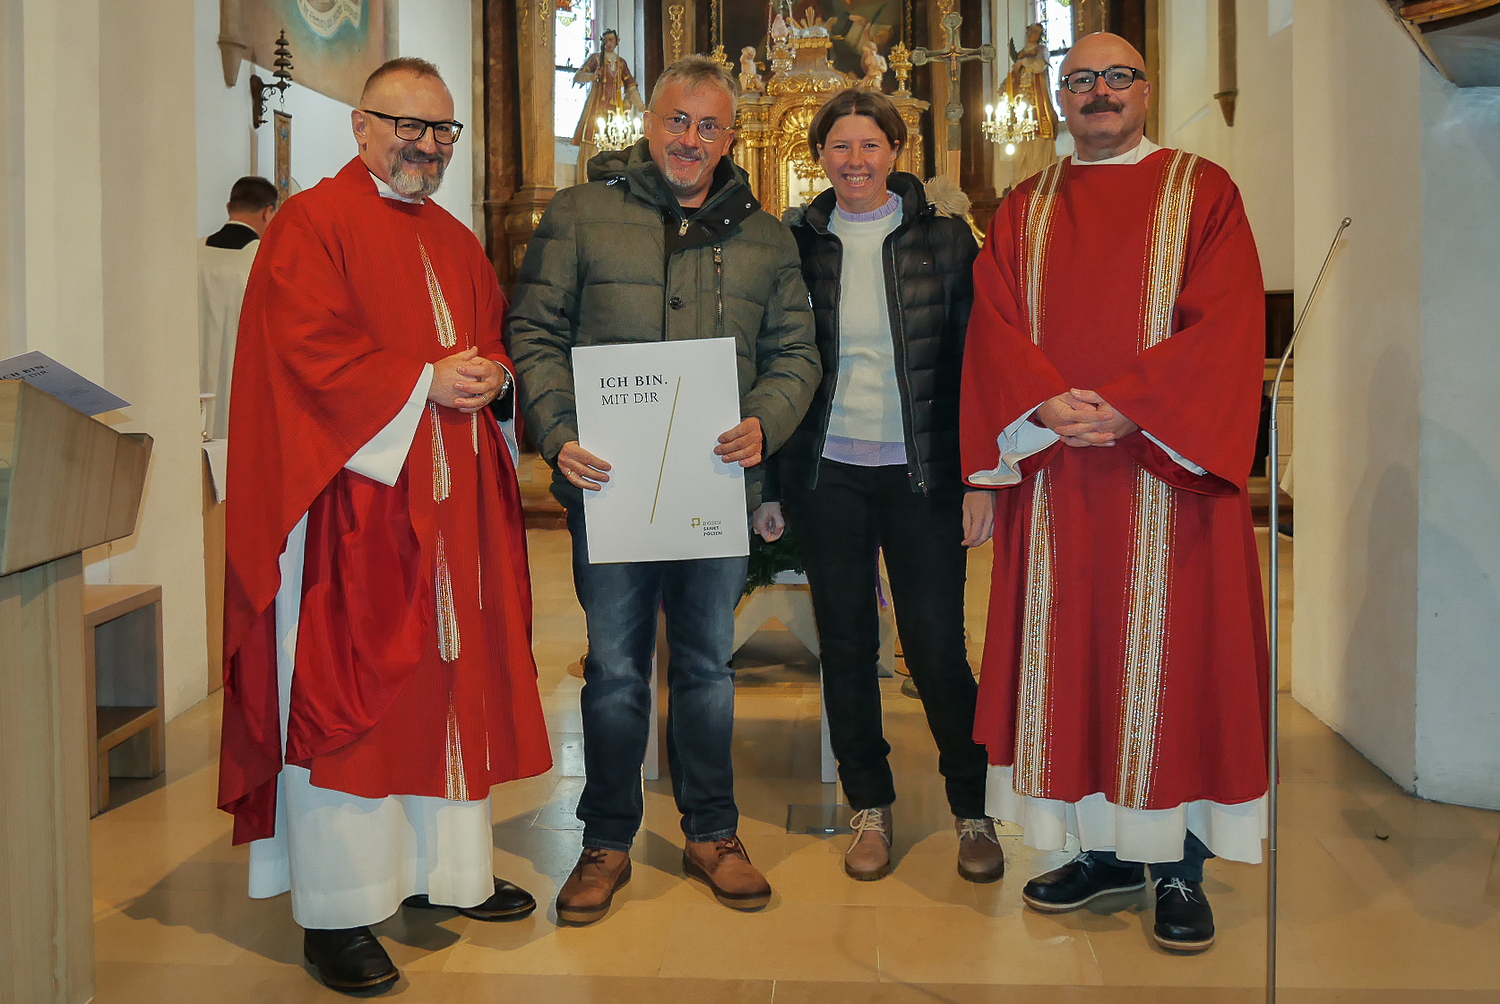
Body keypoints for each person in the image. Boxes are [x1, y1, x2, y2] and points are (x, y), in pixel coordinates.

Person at [217, 57, 552, 995]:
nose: (427, 146)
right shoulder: (310, 225)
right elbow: (302, 352)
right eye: (409, 125)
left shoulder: (455, 238)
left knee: (448, 684)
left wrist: (493, 376)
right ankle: (339, 910)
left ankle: (445, 874)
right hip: (352, 515)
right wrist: (421, 382)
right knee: (355, 697)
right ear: (361, 125)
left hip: (452, 516)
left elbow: (487, 337)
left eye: (442, 131)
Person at [960, 32, 1270, 954]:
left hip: (1168, 476)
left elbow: (1229, 320)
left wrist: (1135, 406)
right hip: (1060, 479)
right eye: (1082, 80)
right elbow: (995, 322)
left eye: (1117, 78)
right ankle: (1101, 851)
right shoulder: (1026, 206)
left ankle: (1179, 867)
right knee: (1076, 665)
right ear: (1061, 98)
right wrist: (1043, 402)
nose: (1100, 92)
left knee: (1176, 666)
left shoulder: (1204, 191)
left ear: (1146, 89)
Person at [509, 55, 820, 926]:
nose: (691, 139)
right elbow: (534, 330)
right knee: (613, 670)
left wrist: (764, 420)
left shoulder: (766, 237)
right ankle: (605, 839)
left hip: (714, 487)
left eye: (709, 125)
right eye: (677, 120)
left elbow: (797, 352)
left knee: (707, 667)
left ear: (731, 136)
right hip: (610, 488)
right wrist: (558, 432)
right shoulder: (582, 215)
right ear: (649, 124)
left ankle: (712, 832)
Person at [754, 88, 1001, 885]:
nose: (855, 160)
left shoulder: (946, 239)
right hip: (828, 474)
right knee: (848, 645)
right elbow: (775, 363)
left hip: (922, 473)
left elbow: (977, 362)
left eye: (870, 145)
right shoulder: (797, 241)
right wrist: (770, 484)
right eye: (840, 146)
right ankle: (871, 806)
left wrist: (982, 478)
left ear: (895, 151)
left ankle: (972, 807)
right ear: (817, 156)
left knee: (935, 647)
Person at [200, 176, 278, 439]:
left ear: (229, 207)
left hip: (192, 383)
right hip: (242, 385)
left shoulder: (192, 253)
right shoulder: (267, 260)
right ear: (268, 213)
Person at [571, 29, 645, 174]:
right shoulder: (596, 59)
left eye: (611, 40)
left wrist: (641, 106)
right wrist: (593, 76)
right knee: (592, 138)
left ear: (617, 42)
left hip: (615, 110)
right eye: (606, 40)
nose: (608, 43)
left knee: (616, 139)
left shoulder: (621, 63)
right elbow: (578, 76)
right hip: (597, 107)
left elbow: (631, 87)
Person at [1001, 23, 1060, 187]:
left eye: (1036, 31)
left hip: (1038, 106)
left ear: (1040, 35)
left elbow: (1039, 65)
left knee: (1039, 143)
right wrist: (1004, 86)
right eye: (1030, 30)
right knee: (1021, 144)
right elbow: (1013, 77)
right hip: (1022, 105)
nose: (1032, 33)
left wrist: (1024, 62)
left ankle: (1040, 179)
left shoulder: (1041, 50)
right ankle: (1021, 181)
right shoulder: (1020, 53)